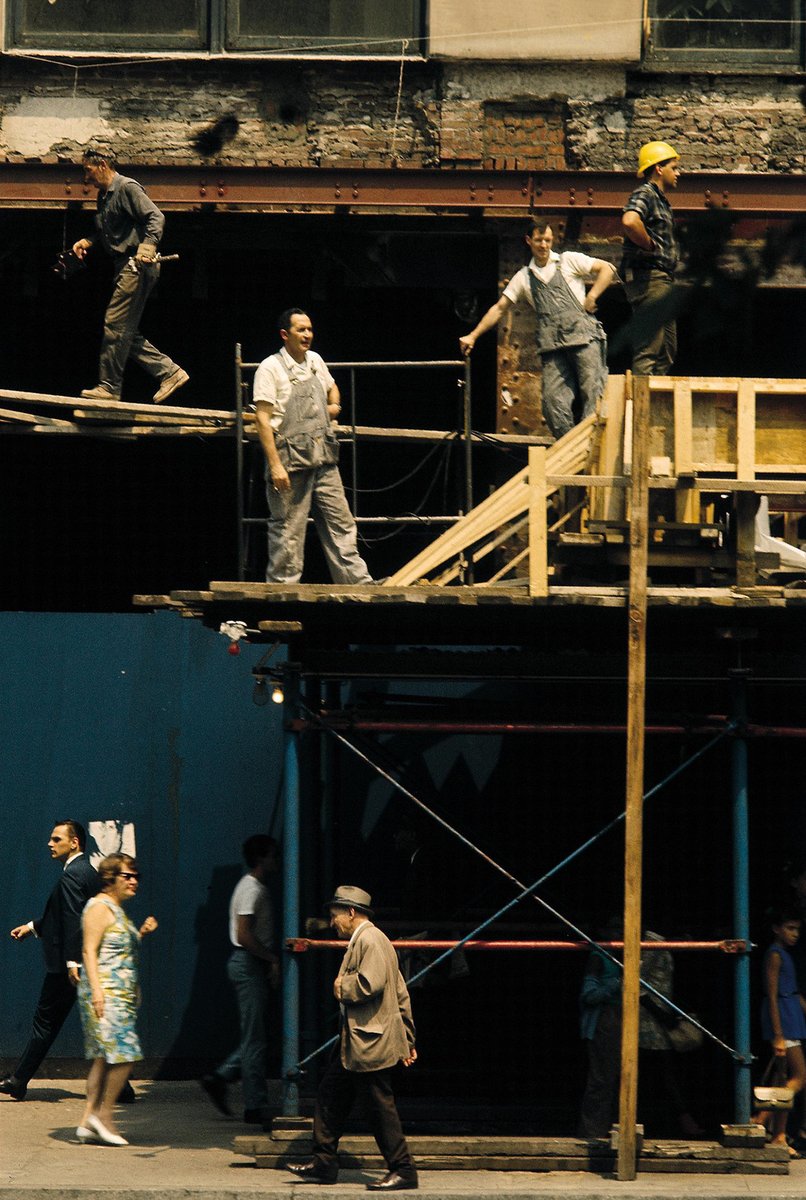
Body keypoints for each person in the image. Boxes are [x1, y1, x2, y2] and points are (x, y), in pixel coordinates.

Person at [288, 885, 418, 1191]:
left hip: (370, 1042)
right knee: (331, 1094)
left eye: (335, 916)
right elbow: (401, 992)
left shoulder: (370, 940)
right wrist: (409, 1038)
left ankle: (403, 1169)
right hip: (357, 1041)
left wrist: (339, 986)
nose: (332, 923)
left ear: (350, 912)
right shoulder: (371, 940)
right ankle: (323, 1162)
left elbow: (367, 985)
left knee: (378, 1107)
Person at [459, 219, 614, 440]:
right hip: (553, 347)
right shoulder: (524, 277)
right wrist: (473, 335)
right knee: (551, 403)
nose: (543, 245)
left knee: (593, 392)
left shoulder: (568, 261)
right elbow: (500, 308)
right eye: (539, 240)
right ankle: (572, 445)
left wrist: (592, 296)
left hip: (584, 338)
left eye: (548, 240)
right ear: (529, 241)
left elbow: (606, 269)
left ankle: (592, 446)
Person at [253, 309, 373, 584]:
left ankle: (357, 583)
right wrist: (275, 466)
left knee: (341, 523)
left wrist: (333, 407)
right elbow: (262, 418)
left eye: (309, 329)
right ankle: (282, 590)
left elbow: (332, 388)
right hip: (290, 462)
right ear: (285, 335)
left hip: (323, 460)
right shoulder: (270, 368)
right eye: (301, 330)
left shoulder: (315, 361)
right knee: (288, 531)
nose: (307, 335)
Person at [73, 146, 189, 404]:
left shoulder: (127, 188)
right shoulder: (104, 197)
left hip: (136, 265)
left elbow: (155, 217)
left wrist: (147, 247)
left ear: (102, 164)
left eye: (87, 169)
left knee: (115, 325)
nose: (85, 176)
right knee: (124, 330)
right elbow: (111, 232)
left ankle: (109, 387)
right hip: (124, 266)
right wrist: (88, 242)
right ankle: (170, 373)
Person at [1, 820, 99, 1102]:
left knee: (45, 1022)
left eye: (56, 839)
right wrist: (32, 927)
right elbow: (63, 915)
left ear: (74, 843)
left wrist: (70, 962)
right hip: (84, 963)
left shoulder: (72, 876)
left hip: (67, 968)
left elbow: (72, 920)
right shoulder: (86, 872)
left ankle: (18, 1080)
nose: (50, 843)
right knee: (99, 1022)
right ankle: (123, 1088)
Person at [76, 853, 157, 1146]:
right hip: (106, 995)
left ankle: (87, 1122)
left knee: (102, 1059)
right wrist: (97, 991)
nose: (134, 881)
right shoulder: (99, 907)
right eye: (127, 876)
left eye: (136, 876)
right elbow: (89, 951)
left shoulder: (116, 909)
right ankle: (105, 1116)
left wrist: (141, 934)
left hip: (118, 994)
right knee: (126, 1054)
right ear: (110, 879)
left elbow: (117, 950)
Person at [200, 834, 280, 1124]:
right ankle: (255, 1105)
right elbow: (245, 935)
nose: (277, 860)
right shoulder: (252, 890)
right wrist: (271, 959)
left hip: (248, 963)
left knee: (254, 1034)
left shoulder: (250, 887)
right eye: (273, 855)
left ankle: (221, 1077)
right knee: (254, 1037)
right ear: (262, 858)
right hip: (249, 963)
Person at [621, 140, 681, 376]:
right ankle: (641, 410)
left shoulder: (660, 200)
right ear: (659, 168)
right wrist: (649, 244)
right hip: (649, 277)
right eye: (674, 167)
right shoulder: (645, 193)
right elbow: (629, 221)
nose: (678, 173)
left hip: (662, 279)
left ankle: (654, 402)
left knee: (667, 348)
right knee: (650, 346)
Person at [756, 904, 806, 1156]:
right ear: (777, 929)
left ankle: (779, 1134)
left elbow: (795, 992)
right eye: (789, 928)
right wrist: (777, 1034)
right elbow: (772, 995)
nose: (794, 934)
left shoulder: (786, 954)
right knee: (800, 1076)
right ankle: (763, 1117)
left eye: (797, 929)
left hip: (792, 1015)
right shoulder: (775, 954)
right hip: (783, 1019)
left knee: (782, 1077)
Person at [577, 921, 623, 1139]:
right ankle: (592, 1131)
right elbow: (589, 995)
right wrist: (617, 983)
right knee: (602, 1078)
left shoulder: (618, 954)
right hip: (604, 1020)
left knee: (612, 1078)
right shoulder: (599, 956)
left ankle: (606, 1127)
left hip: (617, 1018)